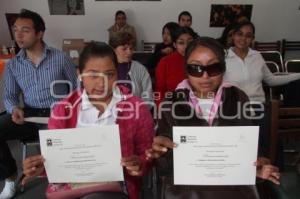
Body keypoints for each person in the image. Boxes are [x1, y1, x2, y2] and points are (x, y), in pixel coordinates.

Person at [146, 37, 280, 199]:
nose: (205, 76)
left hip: (232, 188)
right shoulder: (170, 103)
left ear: (223, 68)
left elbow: (247, 146)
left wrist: (257, 165)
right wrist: (161, 153)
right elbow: (167, 167)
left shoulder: (238, 97)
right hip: (187, 190)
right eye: (196, 68)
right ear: (186, 69)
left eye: (214, 67)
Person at [22, 42, 154, 199]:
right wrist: (40, 167)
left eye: (109, 74)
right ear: (79, 74)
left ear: (117, 74)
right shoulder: (63, 110)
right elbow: (55, 160)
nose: (102, 83)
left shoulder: (136, 108)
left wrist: (139, 163)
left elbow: (147, 154)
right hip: (71, 187)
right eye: (93, 75)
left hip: (117, 187)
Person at [0, 9, 77, 199]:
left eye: (25, 30)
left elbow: (76, 90)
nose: (18, 34)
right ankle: (9, 177)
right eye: (16, 29)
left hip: (58, 114)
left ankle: (66, 183)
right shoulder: (13, 65)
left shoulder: (61, 58)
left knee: (57, 158)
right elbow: (9, 95)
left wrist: (70, 111)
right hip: (29, 115)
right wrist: (14, 108)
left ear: (39, 33)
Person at [223, 21, 300, 161]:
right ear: (233, 35)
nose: (243, 39)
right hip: (236, 108)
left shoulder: (257, 56)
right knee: (246, 140)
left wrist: (298, 75)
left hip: (259, 107)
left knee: (270, 134)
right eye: (239, 34)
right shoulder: (224, 58)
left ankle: (270, 172)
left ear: (252, 39)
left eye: (248, 35)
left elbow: (271, 80)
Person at [155, 26, 196, 106]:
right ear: (174, 44)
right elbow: (159, 91)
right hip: (171, 108)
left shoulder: (202, 61)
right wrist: (161, 111)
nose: (186, 46)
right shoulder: (165, 62)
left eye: (190, 42)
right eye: (181, 43)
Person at [109, 31, 153, 105]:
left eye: (131, 48)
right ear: (114, 50)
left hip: (136, 112)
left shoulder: (140, 69)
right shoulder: (106, 67)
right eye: (124, 49)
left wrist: (138, 110)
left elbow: (148, 98)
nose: (129, 52)